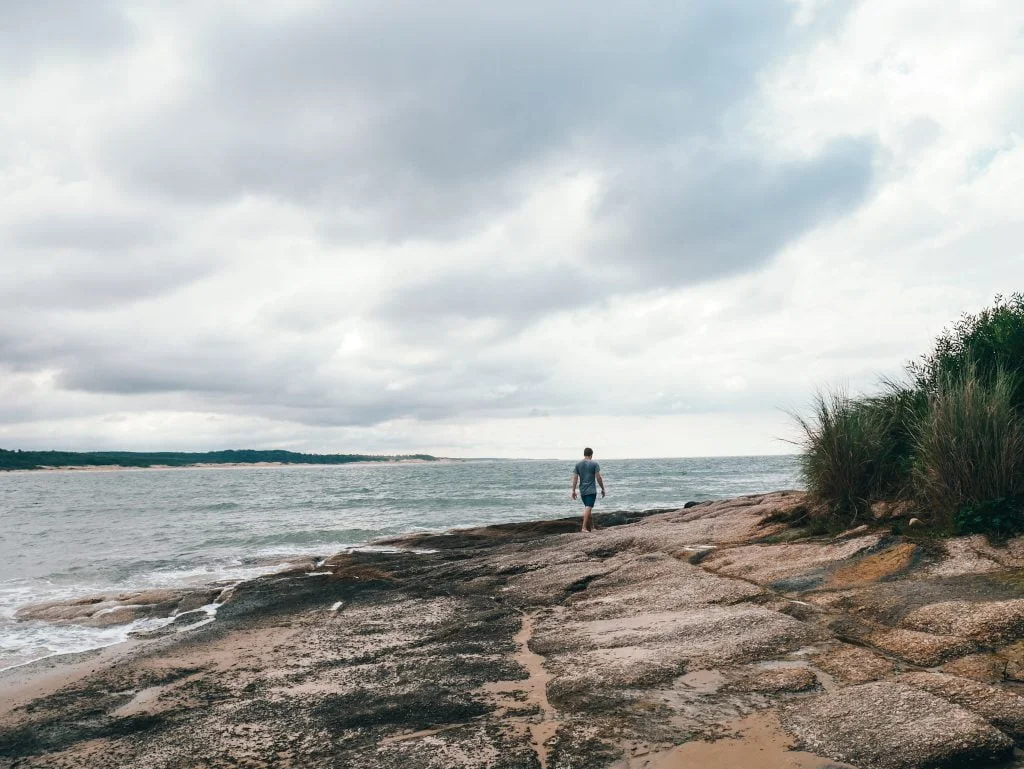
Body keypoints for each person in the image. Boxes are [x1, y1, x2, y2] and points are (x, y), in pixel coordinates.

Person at [571, 447, 605, 532]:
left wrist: (573, 490)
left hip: (582, 490)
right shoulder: (594, 464)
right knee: (588, 507)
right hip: (591, 490)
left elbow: (575, 478)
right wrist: (602, 488)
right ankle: (584, 528)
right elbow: (598, 477)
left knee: (588, 508)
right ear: (591, 455)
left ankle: (592, 527)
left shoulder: (578, 464)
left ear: (584, 454)